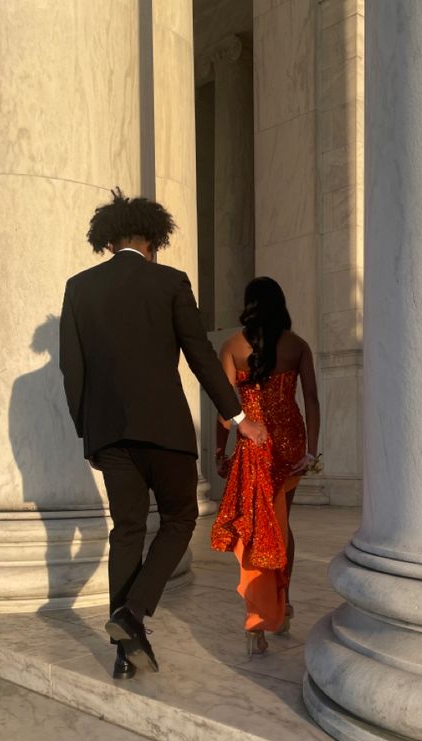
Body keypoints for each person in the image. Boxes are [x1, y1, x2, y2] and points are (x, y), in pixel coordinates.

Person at [59, 189, 267, 679]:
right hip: (165, 431)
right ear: (153, 238)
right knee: (178, 518)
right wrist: (239, 419)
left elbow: (73, 371)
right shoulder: (170, 282)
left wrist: (88, 434)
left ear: (108, 240)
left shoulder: (79, 287)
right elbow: (200, 355)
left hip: (108, 437)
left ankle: (124, 654)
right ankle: (133, 613)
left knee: (127, 531)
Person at [211, 277, 321, 655]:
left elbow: (226, 412)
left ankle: (256, 621)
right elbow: (311, 400)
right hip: (291, 447)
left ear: (248, 305)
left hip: (252, 447)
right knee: (281, 525)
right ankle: (284, 603)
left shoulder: (231, 347)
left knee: (256, 528)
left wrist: (217, 449)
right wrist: (314, 450)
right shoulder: (297, 346)